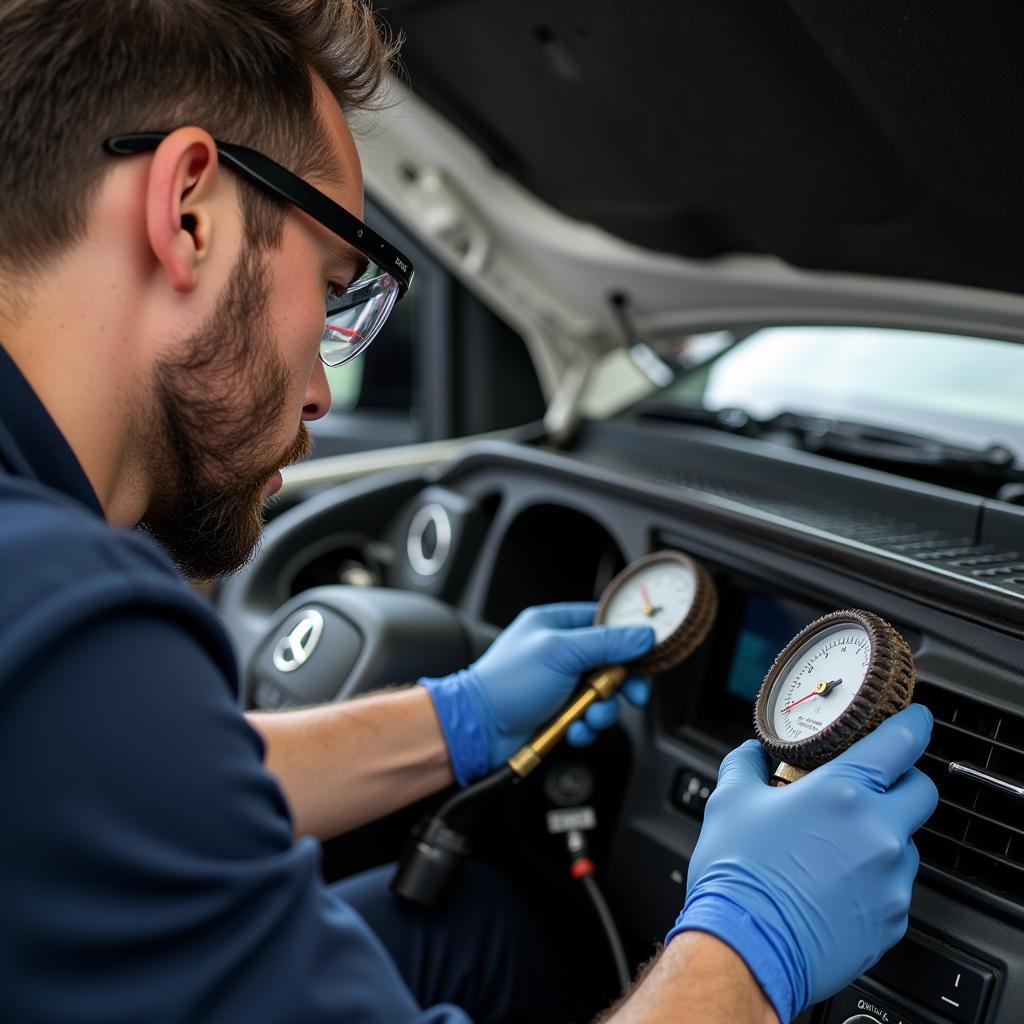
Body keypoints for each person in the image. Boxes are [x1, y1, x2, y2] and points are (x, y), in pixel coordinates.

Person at [0, 2, 937, 1022]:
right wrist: (750, 948)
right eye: (333, 288)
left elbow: (132, 788)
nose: (319, 392)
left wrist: (459, 718)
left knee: (468, 927)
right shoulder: (65, 612)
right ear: (189, 213)